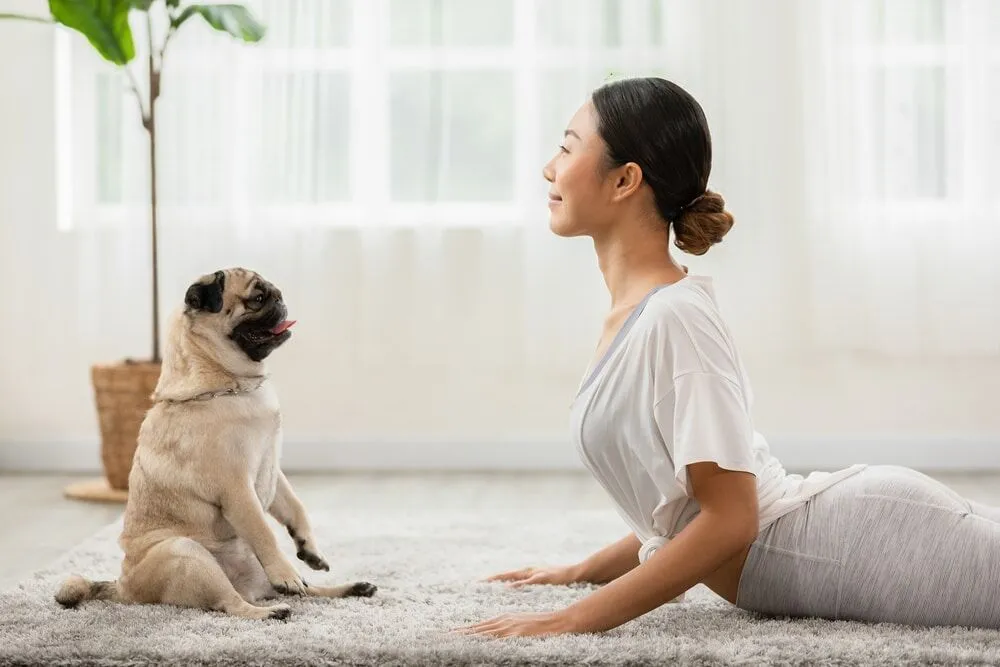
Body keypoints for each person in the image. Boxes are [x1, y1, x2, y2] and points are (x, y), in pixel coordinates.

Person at [452, 76, 1000, 639]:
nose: (549, 168)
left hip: (859, 541)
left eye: (567, 147)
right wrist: (581, 572)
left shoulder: (674, 318)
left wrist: (574, 620)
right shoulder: (640, 317)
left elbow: (731, 519)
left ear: (624, 180)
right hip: (842, 539)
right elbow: (679, 505)